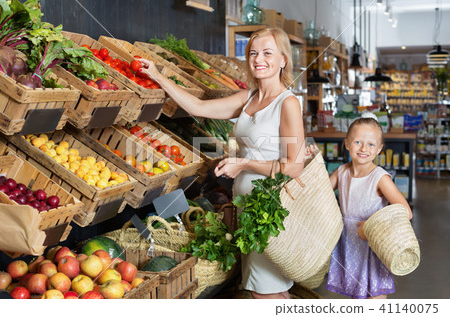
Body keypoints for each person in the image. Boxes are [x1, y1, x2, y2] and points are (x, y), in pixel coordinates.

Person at [138, 27, 305, 299]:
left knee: (264, 290)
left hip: (268, 209)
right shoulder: (249, 98)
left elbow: (294, 166)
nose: (258, 59)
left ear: (283, 59)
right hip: (247, 206)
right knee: (267, 289)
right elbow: (198, 108)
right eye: (253, 53)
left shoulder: (287, 104)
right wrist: (157, 76)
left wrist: (243, 165)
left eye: (267, 53)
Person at [325, 113, 413, 299]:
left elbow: (405, 211)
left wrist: (372, 225)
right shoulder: (341, 172)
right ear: (347, 144)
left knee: (374, 298)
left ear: (379, 149)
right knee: (356, 296)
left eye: (371, 144)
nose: (364, 148)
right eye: (357, 142)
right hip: (349, 243)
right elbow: (320, 191)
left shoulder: (379, 177)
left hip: (372, 245)